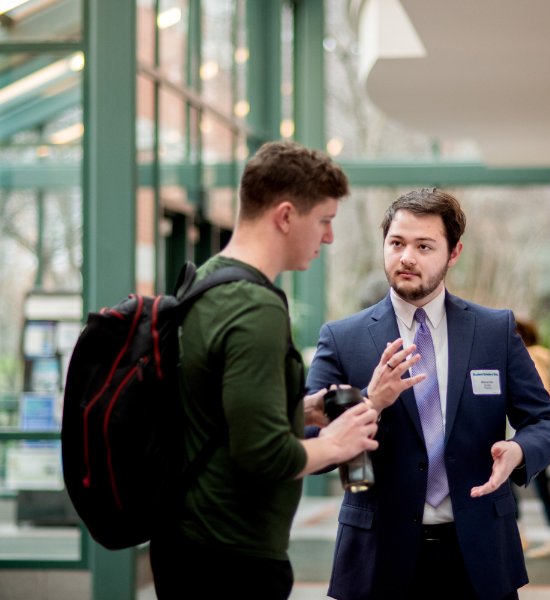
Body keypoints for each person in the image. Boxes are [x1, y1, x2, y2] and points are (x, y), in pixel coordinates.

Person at [306, 188, 550, 600]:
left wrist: (518, 451)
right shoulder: (343, 339)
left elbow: (548, 423)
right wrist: (371, 402)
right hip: (378, 558)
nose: (406, 257)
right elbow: (308, 441)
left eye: (424, 246)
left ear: (454, 252)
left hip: (479, 555)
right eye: (396, 243)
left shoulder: (494, 331)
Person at [149, 140, 380, 600]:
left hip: (188, 544)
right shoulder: (256, 308)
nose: (329, 238)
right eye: (325, 221)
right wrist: (336, 444)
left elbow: (214, 408)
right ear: (286, 216)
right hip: (230, 560)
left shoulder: (205, 280)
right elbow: (263, 455)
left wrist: (301, 411)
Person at [514, 318, 550, 559]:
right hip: (541, 434)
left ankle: (525, 535)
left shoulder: (530, 358)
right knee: (542, 485)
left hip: (531, 433)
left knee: (517, 483)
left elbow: (540, 397)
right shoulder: (541, 356)